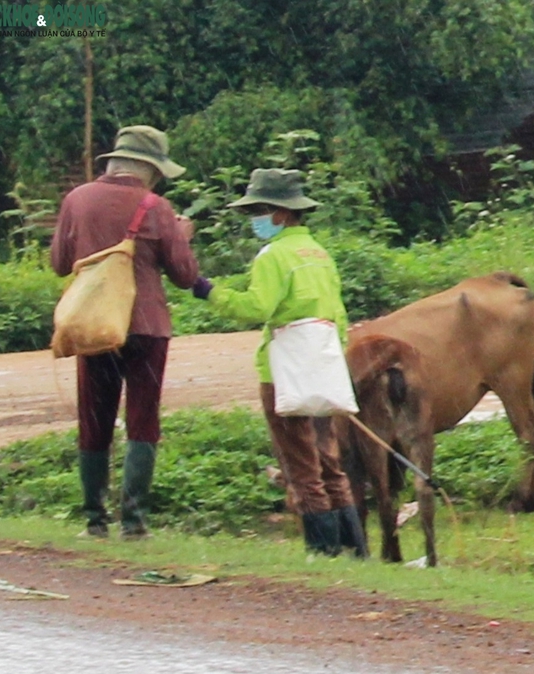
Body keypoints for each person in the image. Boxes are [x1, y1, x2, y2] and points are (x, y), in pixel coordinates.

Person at [192, 168, 368, 557]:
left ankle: (322, 549)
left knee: (300, 463)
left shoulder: (274, 256)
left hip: (283, 373)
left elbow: (256, 307)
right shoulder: (318, 253)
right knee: (329, 460)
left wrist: (208, 292)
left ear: (279, 213)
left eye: (258, 210)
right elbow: (337, 314)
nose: (254, 219)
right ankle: (355, 549)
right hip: (322, 367)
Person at [51, 125, 199, 539]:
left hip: (97, 323)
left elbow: (60, 264)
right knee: (142, 420)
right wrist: (182, 238)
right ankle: (134, 523)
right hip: (147, 327)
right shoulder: (156, 207)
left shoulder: (76, 201)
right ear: (149, 168)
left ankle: (94, 520)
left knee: (94, 418)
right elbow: (185, 275)